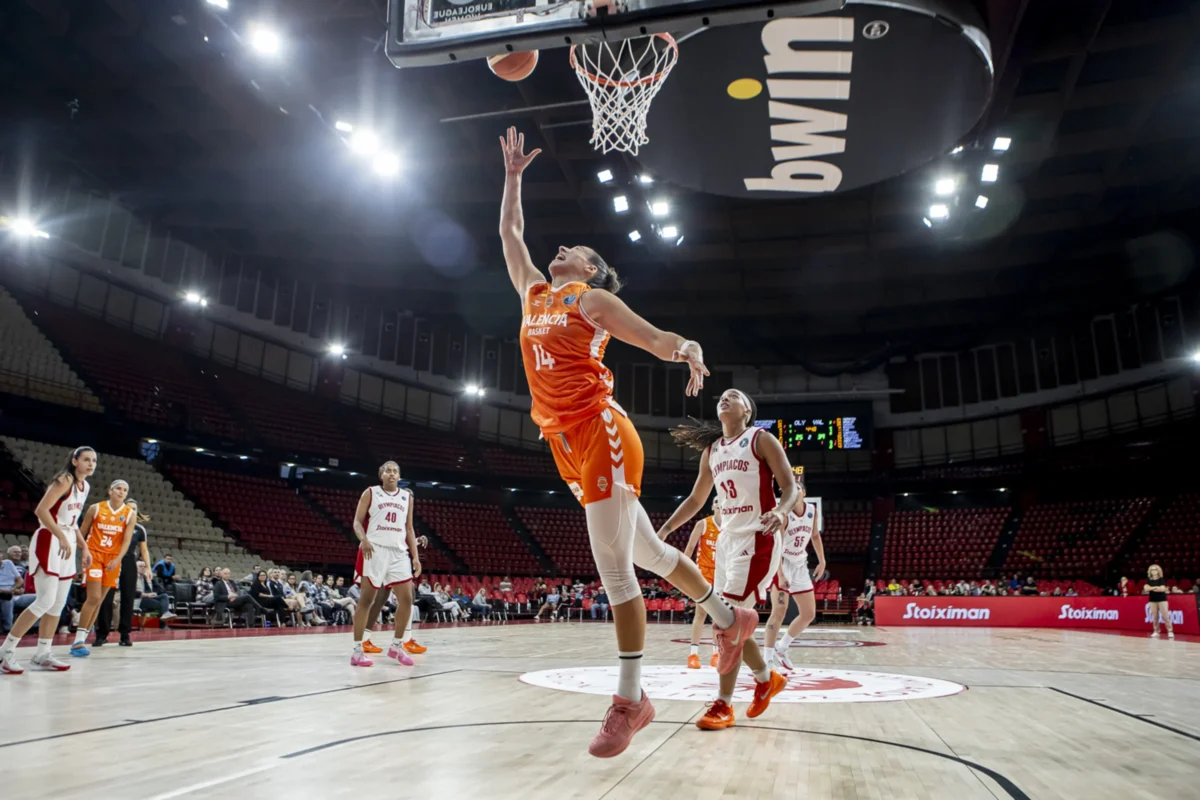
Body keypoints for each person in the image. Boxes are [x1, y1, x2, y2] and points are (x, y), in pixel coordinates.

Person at [501, 127, 747, 758]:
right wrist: (512, 178)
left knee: (613, 568)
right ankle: (729, 619)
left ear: (591, 270)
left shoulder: (592, 300)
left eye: (576, 250)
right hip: (562, 441)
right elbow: (511, 237)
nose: (561, 249)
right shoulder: (533, 294)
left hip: (601, 430)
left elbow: (654, 338)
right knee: (652, 556)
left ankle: (631, 699)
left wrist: (686, 348)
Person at [659, 389, 800, 731]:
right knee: (728, 622)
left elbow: (789, 485)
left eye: (733, 396)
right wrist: (662, 530)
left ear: (747, 410)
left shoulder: (760, 439)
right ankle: (767, 679)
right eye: (722, 396)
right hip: (727, 542)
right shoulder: (712, 451)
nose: (725, 398)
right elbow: (696, 499)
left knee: (727, 624)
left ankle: (724, 704)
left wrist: (782, 512)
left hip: (758, 537)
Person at [1, 446, 95, 674]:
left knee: (58, 604)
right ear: (75, 461)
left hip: (68, 540)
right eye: (86, 459)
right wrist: (61, 536)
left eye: (94, 460)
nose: (91, 464)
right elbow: (41, 510)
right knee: (44, 600)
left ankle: (43, 652)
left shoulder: (85, 486)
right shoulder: (64, 480)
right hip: (49, 539)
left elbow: (72, 523)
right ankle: (6, 651)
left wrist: (84, 547)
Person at [350, 461, 422, 667]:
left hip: (399, 552)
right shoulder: (370, 493)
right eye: (388, 471)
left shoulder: (407, 497)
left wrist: (415, 557)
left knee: (407, 599)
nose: (392, 474)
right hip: (375, 550)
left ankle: (397, 646)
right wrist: (363, 539)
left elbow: (409, 529)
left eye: (395, 471)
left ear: (399, 476)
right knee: (366, 600)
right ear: (381, 475)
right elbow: (357, 521)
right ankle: (357, 650)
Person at [68, 478, 137, 656]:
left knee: (99, 601)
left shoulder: (129, 513)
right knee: (93, 597)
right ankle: (78, 640)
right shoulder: (96, 508)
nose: (121, 492)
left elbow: (127, 541)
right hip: (94, 555)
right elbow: (81, 533)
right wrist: (83, 552)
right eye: (118, 489)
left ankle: (83, 638)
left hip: (113, 559)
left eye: (125, 490)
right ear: (110, 491)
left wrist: (119, 558)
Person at [764, 485, 825, 671]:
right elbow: (777, 545)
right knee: (779, 610)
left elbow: (814, 535)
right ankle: (766, 659)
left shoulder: (812, 511)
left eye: (797, 487)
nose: (792, 490)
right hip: (781, 562)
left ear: (804, 493)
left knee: (808, 614)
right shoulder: (783, 515)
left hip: (800, 564)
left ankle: (781, 648)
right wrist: (780, 573)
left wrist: (822, 560)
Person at [354, 534, 429, 655]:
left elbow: (396, 534)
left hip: (391, 552)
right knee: (379, 599)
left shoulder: (398, 519)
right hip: (377, 552)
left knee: (385, 598)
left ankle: (367, 639)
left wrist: (414, 541)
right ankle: (404, 639)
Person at [95, 497, 153, 647]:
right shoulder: (112, 524)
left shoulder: (140, 529)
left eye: (134, 509)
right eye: (129, 508)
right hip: (111, 560)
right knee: (106, 597)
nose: (131, 511)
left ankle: (125, 635)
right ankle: (102, 634)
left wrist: (147, 567)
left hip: (129, 562)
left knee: (128, 598)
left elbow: (144, 550)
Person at [682, 504, 723, 669]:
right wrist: (683, 569)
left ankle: (716, 654)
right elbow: (690, 547)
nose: (720, 505)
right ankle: (693, 654)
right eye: (717, 502)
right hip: (704, 574)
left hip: (721, 575)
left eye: (722, 502)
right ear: (713, 506)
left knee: (718, 618)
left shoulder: (730, 526)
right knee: (700, 614)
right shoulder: (703, 524)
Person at [1143, 564, 1174, 639]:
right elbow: (1146, 589)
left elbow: (1163, 589)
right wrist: (1155, 587)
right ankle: (1156, 631)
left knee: (1165, 616)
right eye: (1152, 570)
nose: (1154, 571)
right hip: (1152, 600)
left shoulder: (1161, 579)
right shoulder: (1148, 580)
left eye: (1155, 569)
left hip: (1162, 599)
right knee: (1155, 617)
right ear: (1150, 571)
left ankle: (1170, 631)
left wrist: (1151, 588)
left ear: (1158, 571)